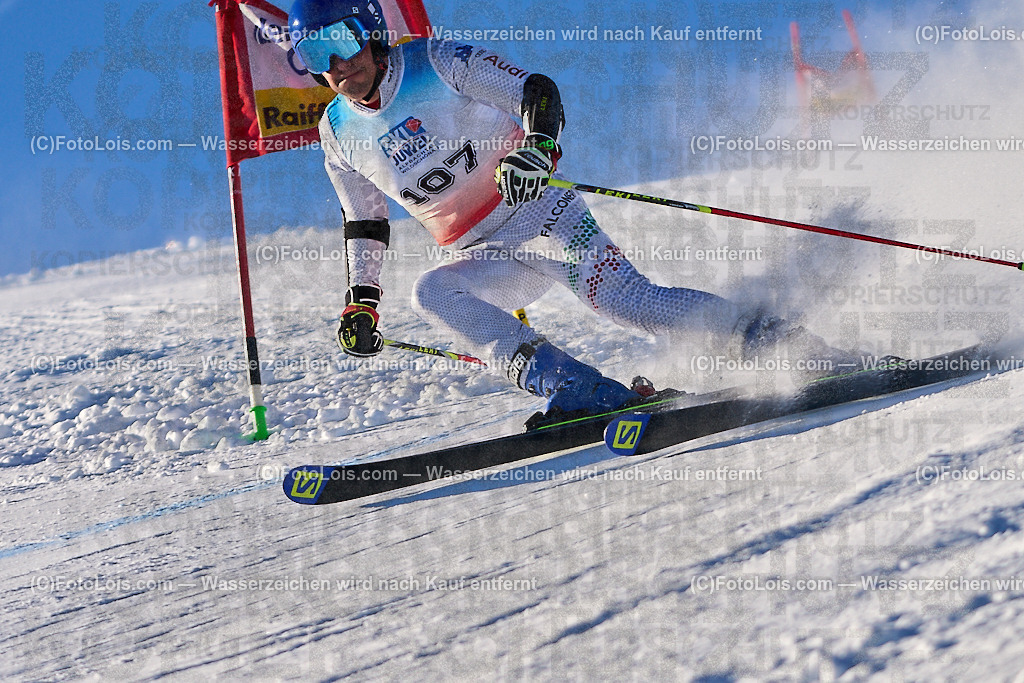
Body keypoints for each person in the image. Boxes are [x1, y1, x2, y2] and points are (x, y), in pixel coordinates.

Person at [288, 0, 850, 418]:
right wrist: (361, 302)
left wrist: (538, 148)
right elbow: (363, 222)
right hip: (488, 253)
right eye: (315, 54)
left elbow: (536, 91)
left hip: (544, 218)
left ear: (369, 30)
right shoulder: (336, 132)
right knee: (433, 292)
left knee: (628, 301)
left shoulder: (435, 62)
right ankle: (577, 389)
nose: (336, 63)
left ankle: (783, 344)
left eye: (340, 40)